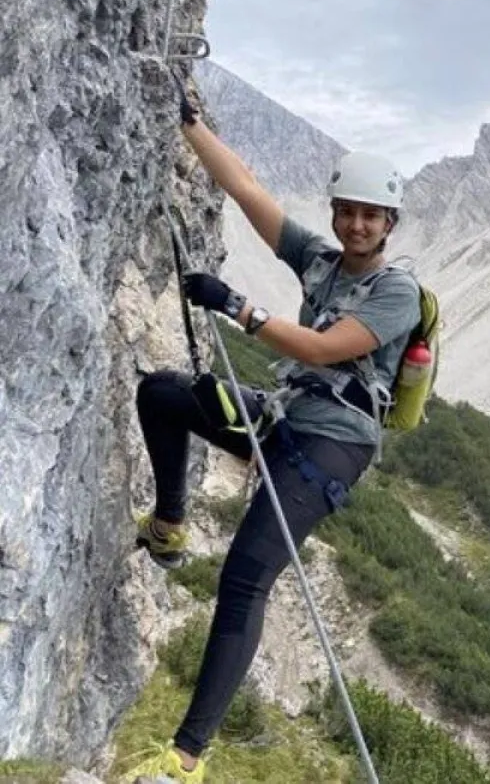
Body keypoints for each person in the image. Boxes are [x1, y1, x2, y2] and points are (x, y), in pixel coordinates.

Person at [125, 89, 420, 783]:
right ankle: (168, 527)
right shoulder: (319, 259)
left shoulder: (395, 293)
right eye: (347, 210)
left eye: (369, 215)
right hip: (283, 415)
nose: (355, 224)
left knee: (245, 577)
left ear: (389, 224)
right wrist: (190, 124)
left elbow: (325, 350)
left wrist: (236, 304)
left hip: (331, 448)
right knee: (164, 395)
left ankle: (186, 756)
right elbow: (247, 189)